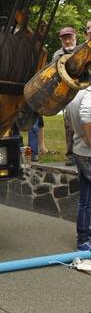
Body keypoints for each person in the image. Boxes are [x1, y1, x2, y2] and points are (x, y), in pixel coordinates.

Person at [65, 87, 91, 251]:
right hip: (88, 152)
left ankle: (83, 236)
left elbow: (68, 118)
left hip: (79, 149)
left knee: (85, 199)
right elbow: (86, 114)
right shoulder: (88, 94)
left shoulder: (77, 93)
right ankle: (83, 239)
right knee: (86, 200)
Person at [52, 26, 78, 165]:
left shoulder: (83, 50)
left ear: (75, 37)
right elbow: (53, 74)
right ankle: (71, 155)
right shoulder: (57, 55)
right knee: (69, 124)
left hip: (84, 91)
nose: (67, 41)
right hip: (67, 93)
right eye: (64, 38)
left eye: (69, 37)